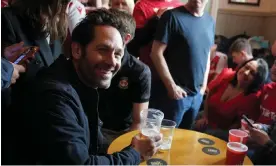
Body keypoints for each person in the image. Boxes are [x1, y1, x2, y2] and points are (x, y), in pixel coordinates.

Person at [7, 9, 161, 165]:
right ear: (77, 50)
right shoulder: (55, 96)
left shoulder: (79, 82)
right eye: (103, 50)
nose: (112, 62)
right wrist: (135, 153)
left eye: (117, 54)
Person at [150, 0, 214, 129]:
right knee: (163, 140)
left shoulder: (210, 21)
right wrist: (171, 87)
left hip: (197, 96)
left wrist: (204, 86)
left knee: (185, 140)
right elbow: (156, 53)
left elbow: (207, 54)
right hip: (174, 96)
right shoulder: (171, 16)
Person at [99, 9, 151, 146]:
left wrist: (124, 148)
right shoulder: (93, 60)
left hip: (120, 134)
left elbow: (138, 122)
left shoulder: (139, 72)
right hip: (90, 127)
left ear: (126, 39)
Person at [195, 58, 269, 131]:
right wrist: (204, 117)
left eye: (252, 73)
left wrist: (217, 133)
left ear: (256, 80)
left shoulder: (252, 98)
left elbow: (238, 124)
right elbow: (209, 94)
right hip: (204, 116)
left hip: (222, 131)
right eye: (246, 67)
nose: (246, 72)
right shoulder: (227, 75)